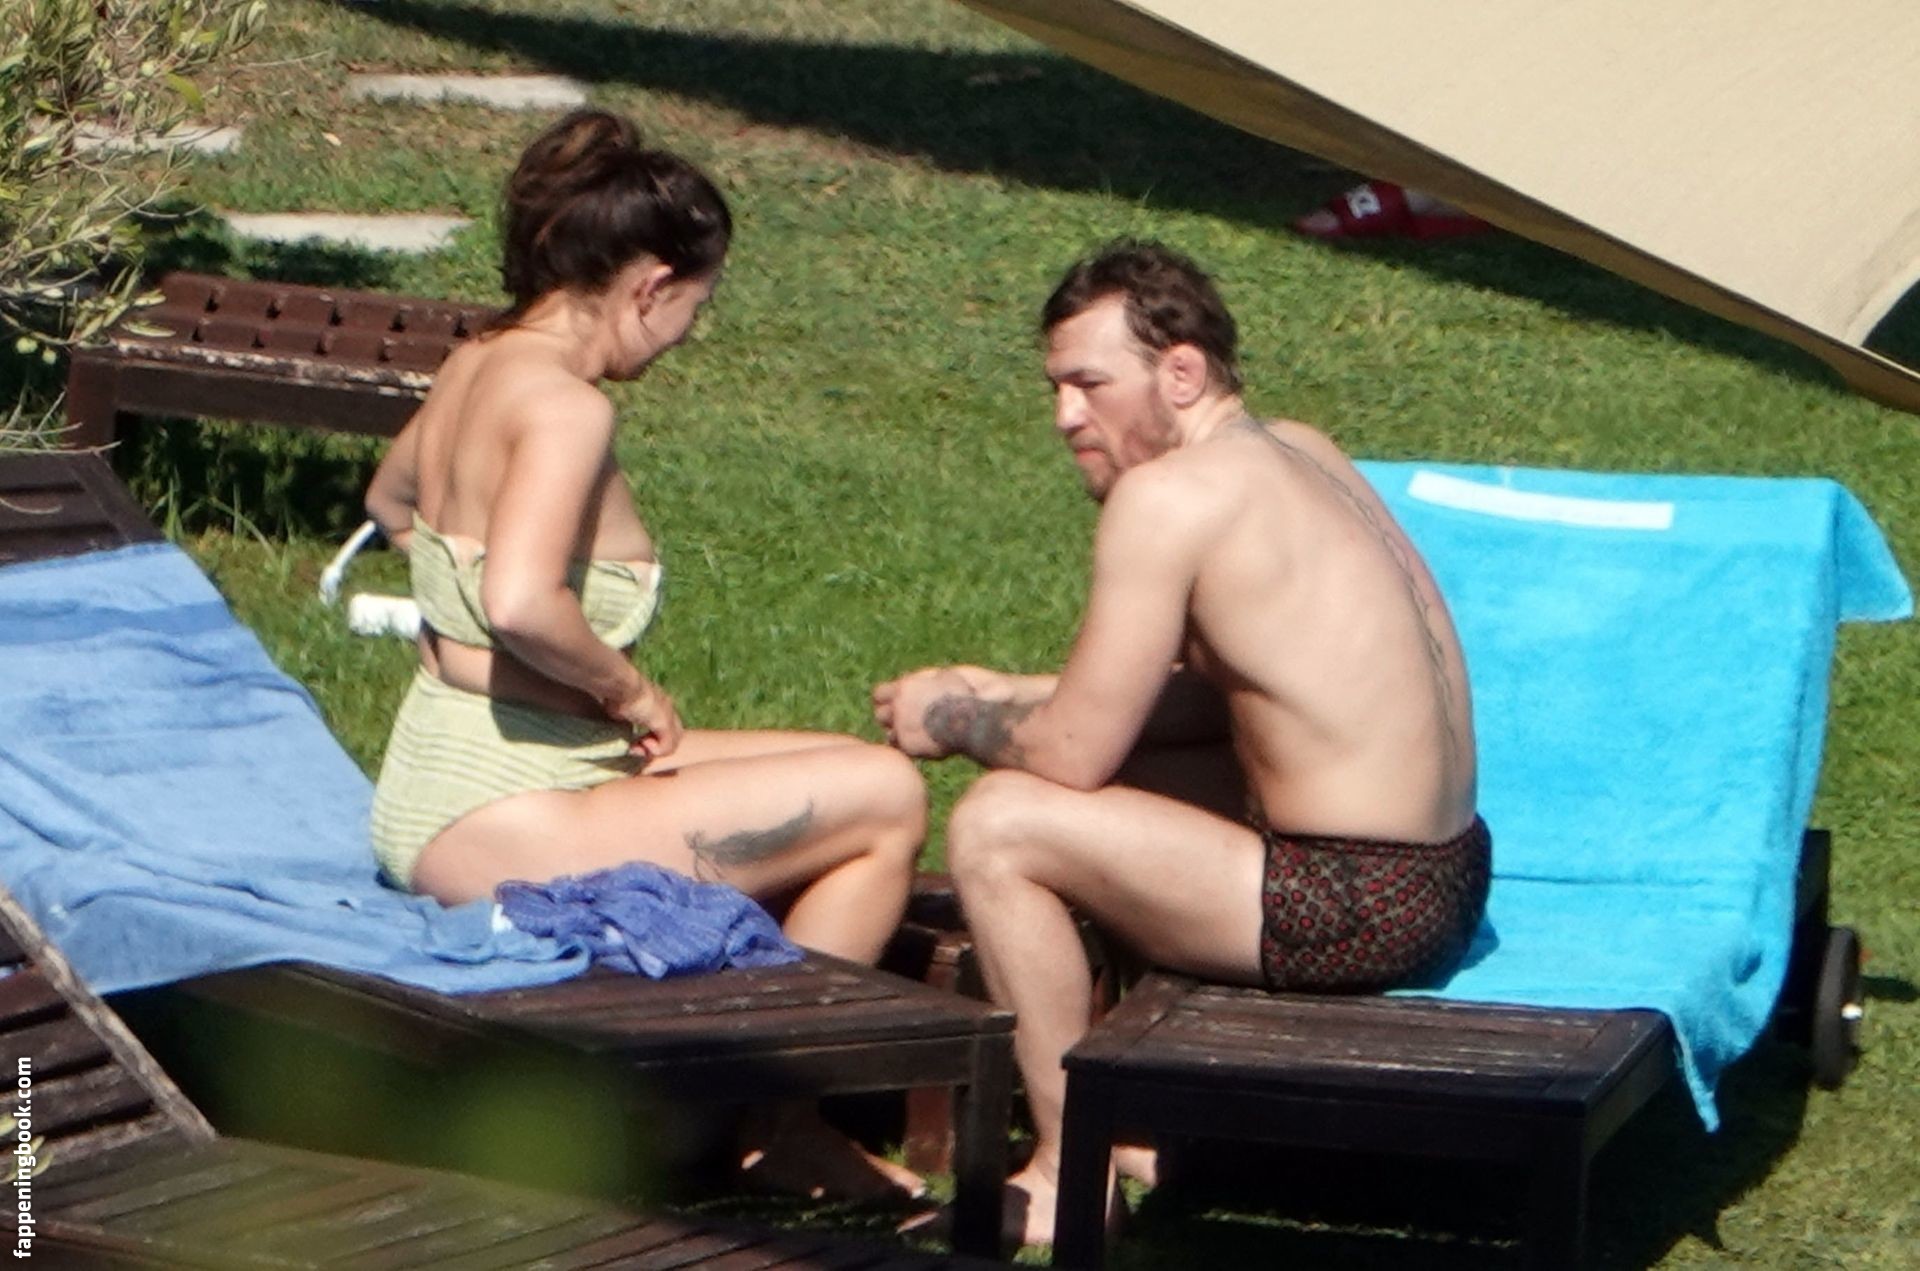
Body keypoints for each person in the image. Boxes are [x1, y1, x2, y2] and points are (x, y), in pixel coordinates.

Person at [873, 240, 1488, 1245]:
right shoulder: (1301, 450)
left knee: (999, 823)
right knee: (1128, 769)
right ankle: (1142, 1122)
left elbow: (1073, 748)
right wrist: (1006, 692)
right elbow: (1215, 696)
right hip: (1446, 876)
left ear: (1182, 371)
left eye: (1089, 384)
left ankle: (1071, 1173)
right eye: (1055, 387)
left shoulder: (1170, 498)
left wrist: (954, 718)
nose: (1065, 416)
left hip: (1354, 900)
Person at [363, 109, 925, 1200]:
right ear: (650, 285)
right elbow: (520, 598)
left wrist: (467, 655)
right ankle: (775, 1121)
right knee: (891, 795)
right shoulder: (565, 407)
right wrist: (626, 687)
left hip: (439, 771)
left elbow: (393, 502)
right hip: (501, 818)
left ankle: (740, 1091)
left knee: (842, 763)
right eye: (692, 312)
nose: (681, 340)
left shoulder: (474, 362)